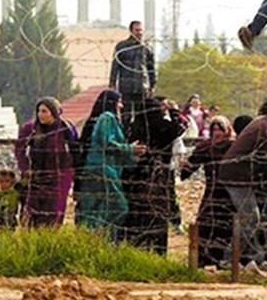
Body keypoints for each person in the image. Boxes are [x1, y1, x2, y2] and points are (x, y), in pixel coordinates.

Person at [217, 95, 267, 267]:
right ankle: (229, 259)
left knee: (252, 218)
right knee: (251, 217)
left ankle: (255, 258)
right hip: (237, 176)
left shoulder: (261, 122)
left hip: (237, 174)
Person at [75, 90, 147, 241]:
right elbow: (106, 143)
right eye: (119, 101)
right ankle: (101, 236)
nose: (121, 105)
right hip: (103, 169)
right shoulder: (107, 118)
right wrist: (129, 149)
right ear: (112, 103)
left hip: (102, 168)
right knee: (119, 207)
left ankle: (94, 238)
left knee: (96, 207)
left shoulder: (108, 120)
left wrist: (131, 154)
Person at [122, 96, 188, 255]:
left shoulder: (135, 125)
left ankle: (135, 250)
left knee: (138, 213)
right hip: (158, 176)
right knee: (156, 215)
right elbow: (181, 126)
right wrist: (174, 111)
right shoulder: (163, 126)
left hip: (136, 176)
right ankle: (157, 252)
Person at [14, 97, 78, 227]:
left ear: (54, 113)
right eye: (39, 111)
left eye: (45, 111)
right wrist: (26, 168)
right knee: (34, 212)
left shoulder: (65, 128)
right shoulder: (31, 128)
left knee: (55, 211)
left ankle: (49, 241)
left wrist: (72, 170)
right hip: (36, 176)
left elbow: (75, 149)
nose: (40, 115)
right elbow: (19, 150)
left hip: (59, 176)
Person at [181, 115, 235, 267]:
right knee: (205, 226)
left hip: (229, 194)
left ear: (227, 131)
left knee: (225, 227)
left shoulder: (234, 147)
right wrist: (185, 166)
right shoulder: (206, 148)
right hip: (211, 192)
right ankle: (201, 261)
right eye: (214, 129)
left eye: (220, 129)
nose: (217, 133)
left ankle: (221, 261)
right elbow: (188, 169)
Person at [109, 20, 156, 127]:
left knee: (141, 115)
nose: (139, 33)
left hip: (142, 87)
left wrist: (152, 85)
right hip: (126, 87)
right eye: (136, 30)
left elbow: (151, 69)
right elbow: (115, 65)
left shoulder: (147, 48)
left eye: (141, 30)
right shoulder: (122, 46)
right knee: (126, 115)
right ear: (131, 31)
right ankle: (126, 138)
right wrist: (112, 83)